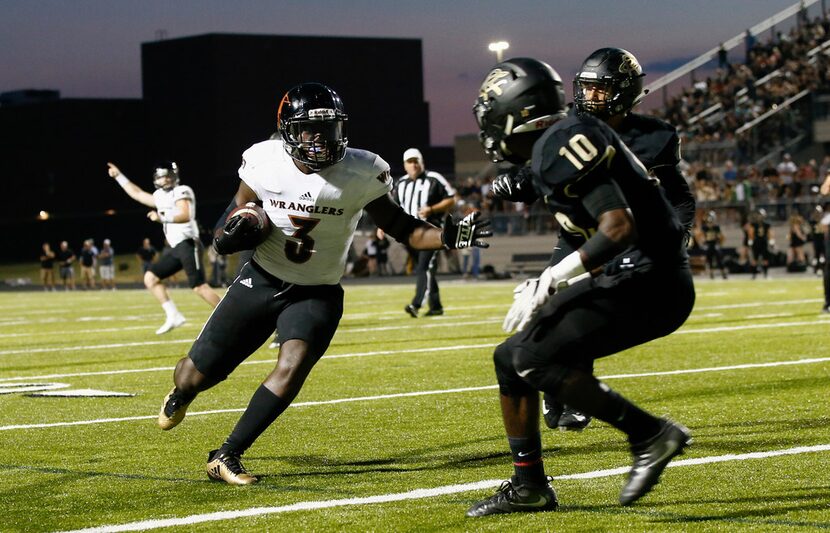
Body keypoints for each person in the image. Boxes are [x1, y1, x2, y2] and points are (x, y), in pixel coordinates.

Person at [156, 82, 491, 485]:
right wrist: (232, 231)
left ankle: (227, 454)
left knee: (292, 365)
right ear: (287, 131)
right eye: (309, 131)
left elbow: (406, 229)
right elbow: (236, 211)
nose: (320, 141)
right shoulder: (264, 160)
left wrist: (447, 235)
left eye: (329, 129)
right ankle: (182, 395)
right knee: (194, 374)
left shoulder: (362, 170)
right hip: (261, 279)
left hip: (317, 291)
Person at [466, 57, 694, 516]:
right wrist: (554, 279)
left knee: (529, 357)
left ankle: (650, 434)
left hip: (649, 280)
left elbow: (617, 226)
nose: (487, 126)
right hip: (636, 272)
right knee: (509, 360)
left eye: (492, 113)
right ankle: (529, 485)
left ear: (517, 112)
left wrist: (554, 276)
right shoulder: (562, 137)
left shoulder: (560, 142)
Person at [107, 161, 220, 334]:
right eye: (162, 177)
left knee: (199, 286)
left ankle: (230, 318)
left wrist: (161, 216)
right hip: (176, 247)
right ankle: (173, 315)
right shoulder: (159, 195)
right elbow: (137, 193)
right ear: (156, 179)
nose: (165, 180)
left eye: (168, 176)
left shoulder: (182, 190)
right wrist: (119, 177)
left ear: (175, 176)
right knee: (150, 278)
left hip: (189, 243)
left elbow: (185, 214)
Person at [392, 148, 457, 317]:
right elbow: (393, 208)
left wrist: (432, 208)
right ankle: (436, 307)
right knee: (425, 270)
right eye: (410, 162)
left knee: (424, 268)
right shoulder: (401, 183)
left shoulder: (434, 178)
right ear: (405, 165)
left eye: (416, 161)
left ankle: (416, 304)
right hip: (410, 235)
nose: (413, 165)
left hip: (431, 232)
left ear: (422, 162)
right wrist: (382, 227)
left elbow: (451, 198)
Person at [699, 211, 728, 279]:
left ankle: (723, 274)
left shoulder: (716, 227)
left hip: (715, 244)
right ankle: (711, 274)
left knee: (719, 260)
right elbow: (701, 236)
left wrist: (720, 244)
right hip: (708, 245)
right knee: (709, 260)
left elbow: (722, 237)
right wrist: (703, 243)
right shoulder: (704, 227)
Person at [746, 208, 774, 279]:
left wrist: (771, 241)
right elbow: (751, 233)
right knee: (755, 259)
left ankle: (766, 274)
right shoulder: (753, 224)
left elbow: (769, 233)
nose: (760, 217)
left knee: (765, 259)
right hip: (756, 242)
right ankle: (754, 275)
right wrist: (750, 241)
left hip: (764, 242)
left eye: (761, 215)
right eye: (759, 215)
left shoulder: (767, 224)